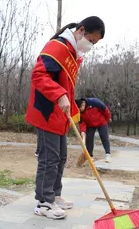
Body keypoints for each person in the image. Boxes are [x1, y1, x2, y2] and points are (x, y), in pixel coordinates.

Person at [25, 16, 105, 220]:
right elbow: (39, 75)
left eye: (95, 43)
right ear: (81, 31)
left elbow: (66, 85)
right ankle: (43, 202)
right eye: (92, 40)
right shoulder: (58, 47)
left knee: (60, 157)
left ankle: (55, 195)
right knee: (49, 158)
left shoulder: (73, 52)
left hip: (61, 114)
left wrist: (72, 107)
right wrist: (59, 95)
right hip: (47, 111)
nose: (91, 45)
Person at [75, 97, 112, 162]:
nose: (79, 110)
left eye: (79, 109)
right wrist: (83, 132)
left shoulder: (94, 102)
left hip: (101, 122)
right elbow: (82, 123)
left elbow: (104, 109)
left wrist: (108, 118)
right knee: (89, 138)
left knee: (104, 136)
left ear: (83, 104)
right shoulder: (79, 112)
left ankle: (107, 154)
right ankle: (90, 156)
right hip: (90, 125)